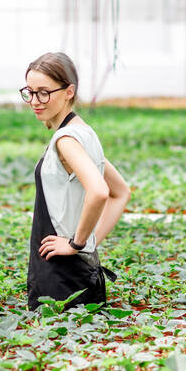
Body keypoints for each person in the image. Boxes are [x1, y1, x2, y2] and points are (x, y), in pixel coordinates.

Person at [23, 52, 130, 312]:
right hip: (82, 271)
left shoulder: (67, 140)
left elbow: (100, 192)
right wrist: (88, 244)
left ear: (69, 91)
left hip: (62, 277)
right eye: (30, 92)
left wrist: (75, 244)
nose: (35, 101)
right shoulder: (84, 133)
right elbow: (121, 192)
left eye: (44, 93)